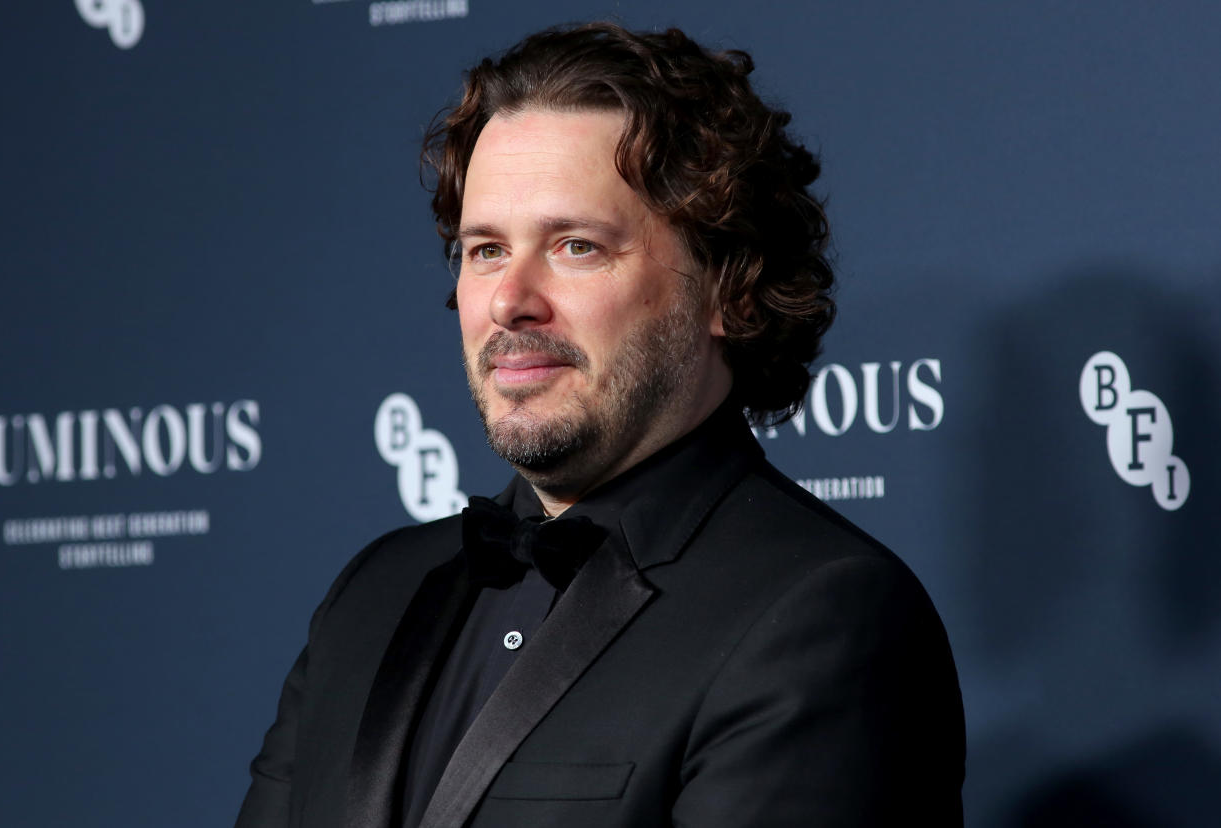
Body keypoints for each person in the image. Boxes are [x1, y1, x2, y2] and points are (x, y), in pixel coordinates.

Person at [235, 22, 964, 828]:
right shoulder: (372, 596)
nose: (510, 300)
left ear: (731, 288)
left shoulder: (821, 616)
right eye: (484, 250)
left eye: (576, 246)